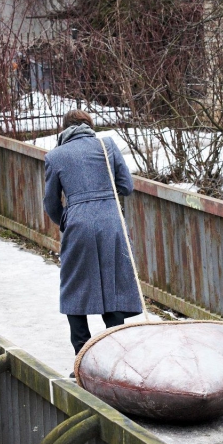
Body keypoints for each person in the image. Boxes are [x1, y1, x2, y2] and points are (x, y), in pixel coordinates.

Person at [43, 110, 143, 357]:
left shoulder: (55, 156)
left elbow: (51, 203)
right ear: (90, 126)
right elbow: (127, 187)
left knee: (74, 286)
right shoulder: (106, 144)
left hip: (78, 224)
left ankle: (83, 358)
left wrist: (66, 220)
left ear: (64, 129)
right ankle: (118, 356)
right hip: (112, 221)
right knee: (113, 284)